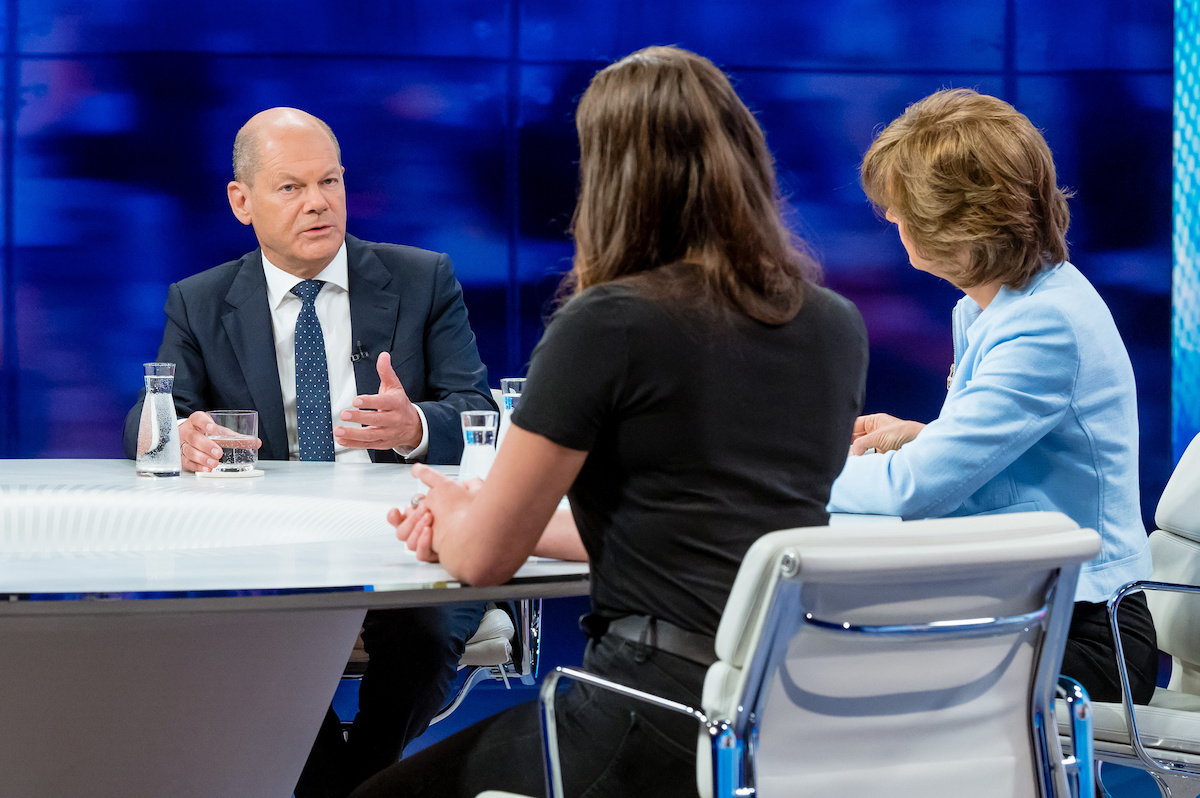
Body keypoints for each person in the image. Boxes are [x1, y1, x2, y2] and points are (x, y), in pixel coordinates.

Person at [349, 46, 869, 798]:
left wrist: (462, 515)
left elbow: (487, 561)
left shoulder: (610, 323)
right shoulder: (834, 325)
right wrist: (485, 518)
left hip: (651, 711)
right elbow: (686, 523)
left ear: (614, 179)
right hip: (786, 709)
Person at [122, 107, 493, 798]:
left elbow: (476, 413)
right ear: (243, 201)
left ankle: (353, 784)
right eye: (291, 187)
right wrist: (183, 431)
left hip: (405, 543)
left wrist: (413, 425)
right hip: (270, 550)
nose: (318, 202)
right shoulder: (201, 302)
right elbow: (152, 413)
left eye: (329, 181)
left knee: (425, 634)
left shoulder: (423, 280)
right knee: (250, 640)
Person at [827, 88, 1157, 704]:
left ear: (962, 226)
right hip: (1027, 606)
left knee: (841, 677)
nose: (892, 222)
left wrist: (786, 481)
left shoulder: (1045, 325)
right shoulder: (993, 309)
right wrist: (929, 438)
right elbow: (1021, 465)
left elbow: (914, 490)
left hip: (1083, 637)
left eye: (901, 209)